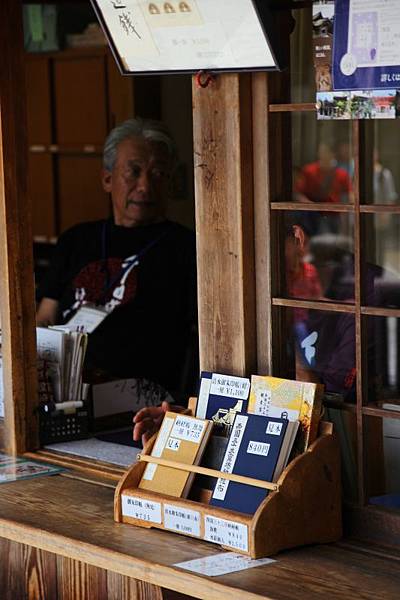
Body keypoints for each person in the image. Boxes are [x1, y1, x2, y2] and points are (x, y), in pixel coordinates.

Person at [36, 118, 198, 401]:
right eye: (133, 172)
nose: (145, 186)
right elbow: (46, 317)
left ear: (170, 182)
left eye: (158, 173)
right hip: (66, 392)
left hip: (141, 397)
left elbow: (197, 339)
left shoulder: (187, 247)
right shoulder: (76, 239)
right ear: (107, 179)